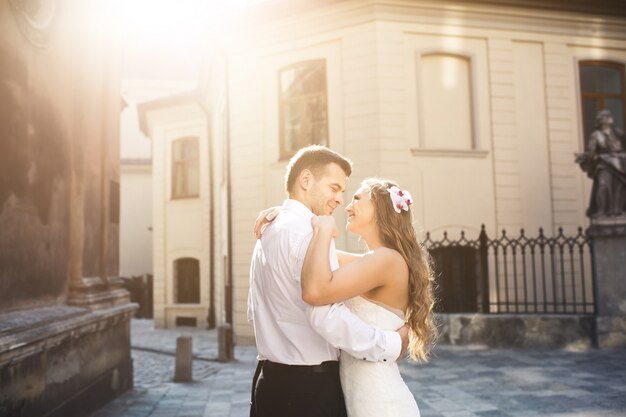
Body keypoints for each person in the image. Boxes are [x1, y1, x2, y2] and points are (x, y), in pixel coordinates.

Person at [248, 145, 409, 417]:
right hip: (309, 391)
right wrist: (391, 345)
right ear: (306, 180)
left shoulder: (271, 230)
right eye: (334, 188)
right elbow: (326, 316)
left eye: (347, 194)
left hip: (267, 384)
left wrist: (292, 212)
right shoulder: (314, 236)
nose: (340, 200)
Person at [301, 178, 437, 416]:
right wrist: (285, 215)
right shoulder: (378, 260)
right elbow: (320, 254)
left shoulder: (385, 260)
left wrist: (319, 228)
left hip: (380, 403)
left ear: (380, 208)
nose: (347, 205)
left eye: (357, 198)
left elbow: (318, 289)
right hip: (366, 400)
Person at [576, 109, 626, 218]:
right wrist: (583, 157)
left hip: (620, 164)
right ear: (600, 120)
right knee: (603, 186)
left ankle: (618, 210)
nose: (608, 118)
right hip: (604, 163)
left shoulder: (618, 133)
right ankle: (601, 211)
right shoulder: (596, 135)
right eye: (605, 116)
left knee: (620, 189)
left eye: (608, 116)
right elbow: (591, 151)